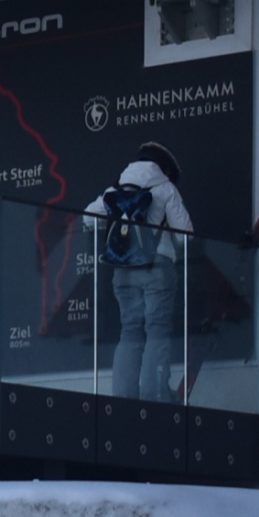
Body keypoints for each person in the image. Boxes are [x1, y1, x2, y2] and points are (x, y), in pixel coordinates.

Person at [86, 142, 193, 402]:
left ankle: (124, 397)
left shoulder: (116, 189)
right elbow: (186, 235)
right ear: (164, 168)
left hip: (123, 269)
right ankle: (154, 394)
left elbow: (88, 218)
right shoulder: (165, 188)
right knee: (157, 329)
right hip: (157, 266)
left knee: (130, 330)